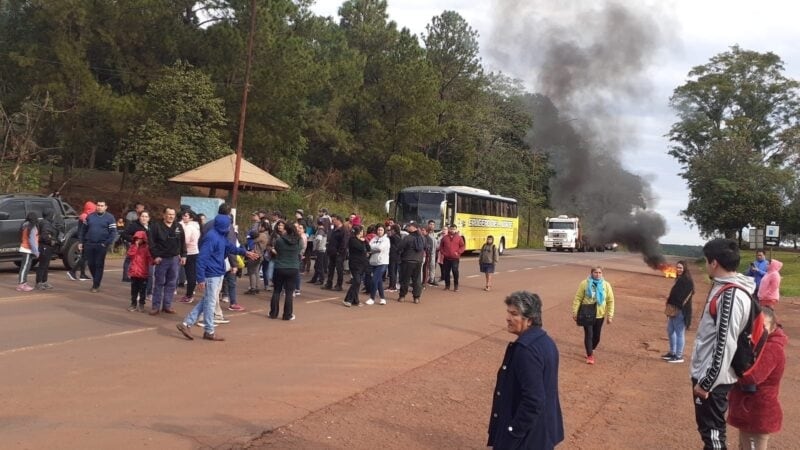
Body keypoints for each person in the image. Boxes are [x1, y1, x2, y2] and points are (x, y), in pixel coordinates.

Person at [691, 238, 755, 450]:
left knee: (714, 436)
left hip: (713, 380)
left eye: (707, 260)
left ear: (714, 262)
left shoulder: (730, 295)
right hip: (712, 375)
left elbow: (725, 344)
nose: (707, 264)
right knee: (709, 433)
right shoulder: (725, 288)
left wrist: (706, 382)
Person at [487, 291, 564, 449]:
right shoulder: (546, 341)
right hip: (543, 431)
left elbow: (533, 400)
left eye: (514, 314)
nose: (508, 318)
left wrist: (512, 433)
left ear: (529, 320)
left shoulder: (525, 350)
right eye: (508, 312)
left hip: (527, 438)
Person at [176, 215, 257, 341]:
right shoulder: (211, 237)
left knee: (208, 300)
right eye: (228, 225)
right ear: (223, 226)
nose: (229, 227)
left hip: (218, 272)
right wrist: (201, 278)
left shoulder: (220, 235)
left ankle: (187, 323)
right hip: (211, 274)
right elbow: (201, 259)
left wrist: (244, 252)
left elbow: (230, 247)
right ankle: (209, 331)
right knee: (210, 302)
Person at [727, 306, 787, 450]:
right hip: (749, 409)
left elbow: (752, 377)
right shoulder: (759, 343)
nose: (758, 330)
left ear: (773, 328)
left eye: (763, 326)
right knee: (744, 445)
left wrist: (731, 367)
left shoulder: (773, 348)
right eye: (756, 326)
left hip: (757, 410)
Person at [572, 266, 615, 365]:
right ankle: (590, 355)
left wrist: (610, 315)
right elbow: (578, 298)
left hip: (600, 314)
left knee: (597, 336)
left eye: (600, 273)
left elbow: (610, 301)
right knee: (589, 334)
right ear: (591, 273)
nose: (598, 274)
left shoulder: (606, 285)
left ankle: (591, 348)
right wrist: (575, 312)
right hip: (587, 313)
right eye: (595, 272)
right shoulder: (584, 283)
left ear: (602, 274)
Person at [148, 207, 186, 315]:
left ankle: (167, 306)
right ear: (164, 215)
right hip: (161, 259)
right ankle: (155, 306)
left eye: (173, 215)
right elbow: (151, 243)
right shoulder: (156, 226)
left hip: (174, 259)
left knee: (172, 283)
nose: (171, 216)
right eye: (169, 214)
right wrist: (155, 256)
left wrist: (184, 255)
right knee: (159, 283)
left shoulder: (178, 226)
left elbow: (183, 242)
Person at [78, 200, 118, 293]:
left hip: (101, 244)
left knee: (99, 264)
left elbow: (113, 233)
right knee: (91, 264)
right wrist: (81, 242)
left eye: (102, 205)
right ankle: (95, 279)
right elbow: (83, 230)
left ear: (106, 207)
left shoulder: (110, 217)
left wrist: (107, 243)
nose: (100, 207)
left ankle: (96, 284)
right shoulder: (90, 216)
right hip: (89, 244)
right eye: (98, 205)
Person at [269, 220, 302, 320]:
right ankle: (287, 315)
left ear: (285, 229)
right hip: (293, 268)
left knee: (277, 291)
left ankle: (273, 313)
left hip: (280, 267)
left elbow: (277, 250)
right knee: (289, 292)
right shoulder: (298, 240)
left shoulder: (279, 240)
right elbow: (300, 250)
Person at [662, 260, 694, 363]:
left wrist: (671, 302)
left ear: (685, 268)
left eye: (680, 267)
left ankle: (679, 356)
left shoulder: (686, 280)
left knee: (679, 333)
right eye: (678, 267)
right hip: (674, 308)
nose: (679, 269)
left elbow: (681, 296)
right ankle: (672, 352)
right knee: (670, 330)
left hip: (680, 310)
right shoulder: (680, 279)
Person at [67, 201, 96, 281]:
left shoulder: (85, 215)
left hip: (84, 239)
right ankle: (72, 272)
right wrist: (81, 241)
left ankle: (82, 274)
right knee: (85, 257)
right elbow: (83, 230)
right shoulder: (85, 217)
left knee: (84, 257)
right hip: (84, 239)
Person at [397, 222, 425, 304]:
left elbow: (400, 247)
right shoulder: (422, 238)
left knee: (405, 280)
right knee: (417, 280)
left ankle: (402, 296)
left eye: (409, 226)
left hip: (407, 260)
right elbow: (426, 247)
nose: (408, 227)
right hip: (418, 261)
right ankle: (416, 298)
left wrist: (401, 254)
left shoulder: (408, 238)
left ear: (414, 228)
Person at [343, 225, 370, 307]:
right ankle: (348, 299)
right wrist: (362, 242)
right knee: (357, 281)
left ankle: (355, 300)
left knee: (358, 283)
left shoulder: (363, 240)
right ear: (359, 232)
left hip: (362, 264)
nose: (363, 233)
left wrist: (365, 241)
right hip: (355, 264)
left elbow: (368, 248)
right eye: (361, 231)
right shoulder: (352, 240)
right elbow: (361, 248)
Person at [127, 230, 152, 312]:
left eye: (140, 238)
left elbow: (150, 258)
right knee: (134, 290)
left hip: (143, 273)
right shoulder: (133, 246)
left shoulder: (146, 248)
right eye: (136, 238)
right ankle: (133, 304)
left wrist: (154, 261)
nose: (138, 240)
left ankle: (141, 304)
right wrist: (136, 246)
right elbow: (130, 254)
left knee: (142, 290)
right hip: (134, 272)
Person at [178, 210, 200, 304]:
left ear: (191, 218)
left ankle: (189, 295)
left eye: (186, 216)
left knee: (190, 274)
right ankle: (189, 294)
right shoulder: (196, 226)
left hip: (189, 253)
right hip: (193, 252)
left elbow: (185, 241)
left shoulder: (189, 227)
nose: (184, 217)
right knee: (191, 274)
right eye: (183, 215)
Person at [34, 208, 59, 290]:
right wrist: (51, 241)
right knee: (43, 265)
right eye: (52, 214)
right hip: (45, 246)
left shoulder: (44, 222)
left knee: (46, 265)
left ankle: (44, 281)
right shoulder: (46, 224)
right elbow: (45, 235)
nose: (53, 216)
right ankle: (39, 282)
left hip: (45, 246)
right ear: (49, 215)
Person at [16, 212, 40, 292]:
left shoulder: (25, 225)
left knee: (26, 267)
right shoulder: (32, 227)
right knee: (24, 267)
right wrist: (36, 252)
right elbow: (32, 241)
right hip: (27, 249)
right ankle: (21, 284)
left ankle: (23, 283)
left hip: (26, 248)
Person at [367, 224, 390, 305]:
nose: (379, 231)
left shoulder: (386, 240)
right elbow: (368, 246)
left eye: (381, 230)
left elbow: (381, 248)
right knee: (379, 280)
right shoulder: (374, 238)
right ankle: (383, 298)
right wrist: (374, 248)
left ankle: (372, 298)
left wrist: (373, 249)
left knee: (374, 280)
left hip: (382, 262)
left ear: (384, 231)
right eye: (378, 230)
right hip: (373, 262)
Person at [323, 214, 347, 291]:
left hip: (339, 253)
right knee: (330, 268)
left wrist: (339, 252)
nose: (333, 222)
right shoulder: (334, 229)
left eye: (334, 220)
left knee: (339, 269)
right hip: (332, 252)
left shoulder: (344, 230)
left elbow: (344, 243)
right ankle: (329, 283)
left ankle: (339, 285)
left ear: (338, 220)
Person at [439, 224, 465, 292]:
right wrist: (443, 252)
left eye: (454, 229)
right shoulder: (444, 238)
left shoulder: (459, 238)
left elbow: (462, 246)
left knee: (455, 271)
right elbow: (441, 246)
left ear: (456, 230)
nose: (452, 230)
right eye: (451, 229)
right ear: (449, 229)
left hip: (455, 258)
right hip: (446, 258)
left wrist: (458, 252)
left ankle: (456, 286)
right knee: (446, 272)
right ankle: (447, 286)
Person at [425, 220, 440, 285]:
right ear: (428, 225)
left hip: (433, 253)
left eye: (433, 224)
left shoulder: (435, 234)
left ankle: (432, 279)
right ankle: (424, 280)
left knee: (432, 266)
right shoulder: (425, 233)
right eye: (430, 224)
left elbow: (437, 244)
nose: (432, 226)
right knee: (425, 267)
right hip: (426, 253)